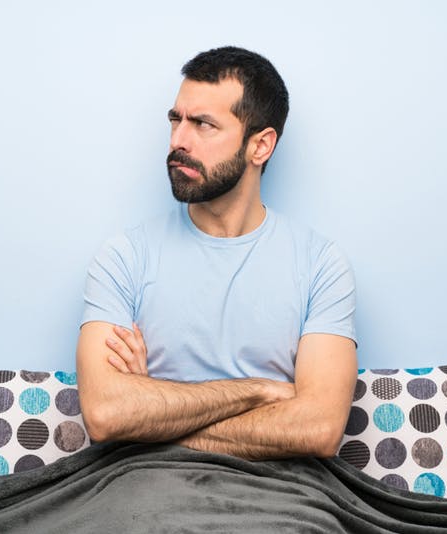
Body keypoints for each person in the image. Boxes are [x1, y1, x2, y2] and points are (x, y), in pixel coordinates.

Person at [76, 46, 358, 461]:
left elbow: (318, 429)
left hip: (281, 495)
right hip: (144, 486)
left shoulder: (321, 265)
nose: (178, 141)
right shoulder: (124, 257)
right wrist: (258, 391)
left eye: (203, 124)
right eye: (176, 120)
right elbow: (105, 415)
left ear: (260, 146)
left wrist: (152, 415)